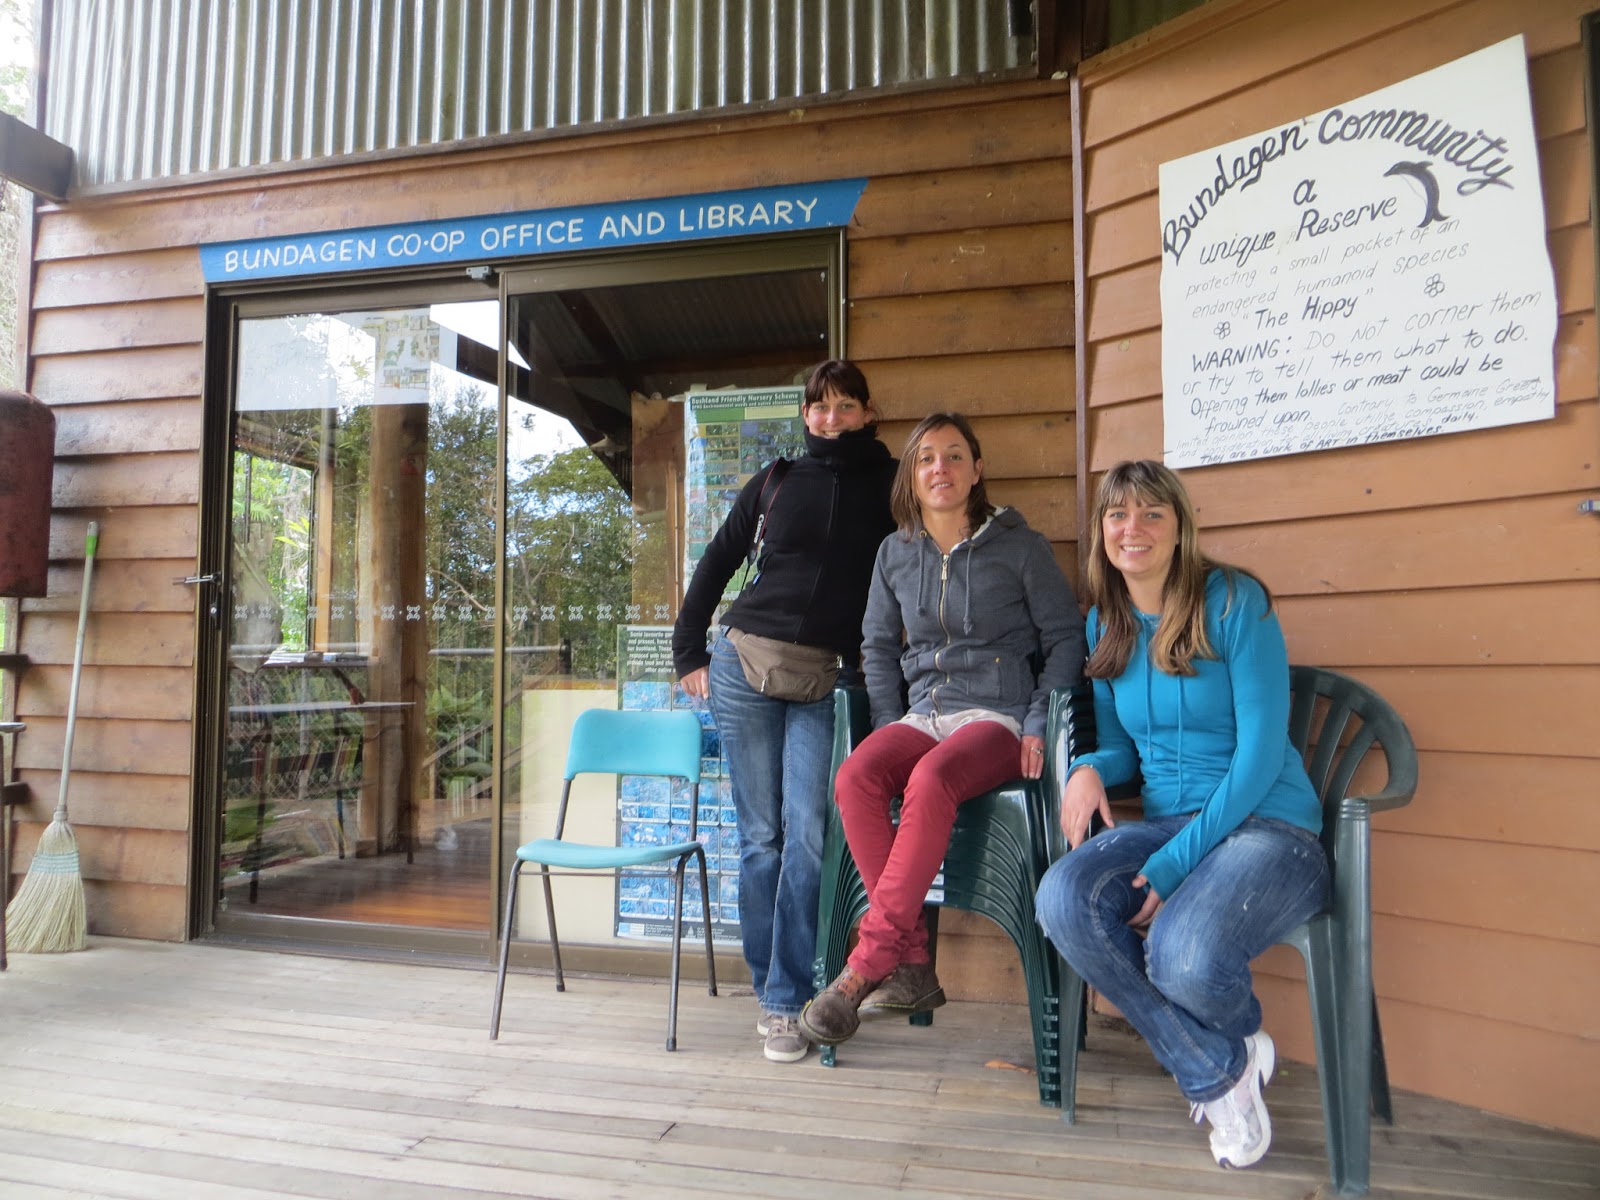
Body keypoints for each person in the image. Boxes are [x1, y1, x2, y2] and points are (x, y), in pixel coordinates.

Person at [1034, 459, 1329, 1171]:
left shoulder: (1234, 603)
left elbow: (1260, 757)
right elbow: (1123, 751)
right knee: (1063, 897)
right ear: (1102, 530)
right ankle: (1222, 1069)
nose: (1131, 528)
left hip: (1270, 828)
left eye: (1151, 513)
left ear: (1179, 527)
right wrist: (1087, 768)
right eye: (1117, 514)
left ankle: (1218, 1065)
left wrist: (1172, 864)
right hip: (1173, 823)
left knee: (1182, 957)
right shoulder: (1106, 623)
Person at [799, 412, 1085, 1048]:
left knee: (931, 779)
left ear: (977, 470)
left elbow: (1065, 638)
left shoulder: (1020, 546)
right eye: (926, 458)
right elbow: (877, 647)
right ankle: (911, 961)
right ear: (911, 475)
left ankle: (869, 965)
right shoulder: (895, 553)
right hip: (923, 714)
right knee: (856, 775)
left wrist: (1038, 719)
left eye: (954, 456)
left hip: (996, 718)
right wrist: (885, 723)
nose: (940, 468)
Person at [672, 360, 897, 1064]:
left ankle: (787, 986)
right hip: (744, 662)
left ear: (867, 413)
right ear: (805, 415)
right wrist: (688, 654)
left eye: (845, 406)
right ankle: (777, 1000)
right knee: (761, 838)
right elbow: (717, 561)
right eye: (819, 407)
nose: (831, 418)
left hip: (827, 675)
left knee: (810, 837)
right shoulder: (776, 479)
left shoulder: (891, 486)